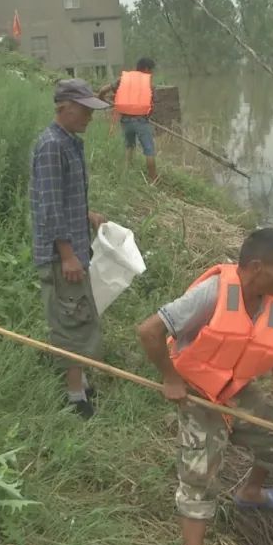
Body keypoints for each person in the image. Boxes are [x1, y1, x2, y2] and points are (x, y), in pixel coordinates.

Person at [136, 228, 273, 545]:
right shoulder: (213, 294)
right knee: (199, 482)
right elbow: (149, 332)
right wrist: (170, 378)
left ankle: (251, 492)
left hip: (234, 389)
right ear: (257, 267)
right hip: (197, 392)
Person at [31, 78, 111, 419]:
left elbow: (63, 197)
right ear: (63, 108)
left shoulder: (69, 142)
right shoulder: (52, 146)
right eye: (84, 110)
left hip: (75, 244)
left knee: (79, 312)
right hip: (63, 252)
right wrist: (66, 254)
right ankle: (75, 395)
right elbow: (49, 208)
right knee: (70, 319)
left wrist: (86, 213)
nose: (89, 118)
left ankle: (79, 377)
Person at [98, 57, 159, 183]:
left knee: (129, 147)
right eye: (151, 70)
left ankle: (126, 175)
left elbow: (103, 90)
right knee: (149, 151)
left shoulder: (123, 80)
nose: (152, 73)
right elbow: (152, 105)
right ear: (146, 69)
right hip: (141, 121)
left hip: (125, 121)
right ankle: (153, 180)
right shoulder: (149, 84)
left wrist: (100, 97)